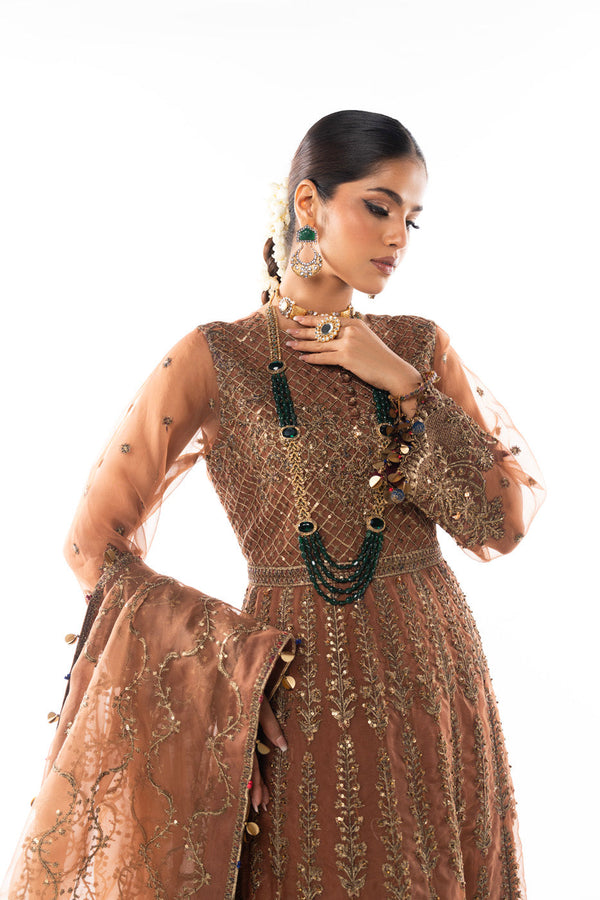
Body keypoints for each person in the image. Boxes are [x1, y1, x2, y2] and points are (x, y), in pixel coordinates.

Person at [1, 110, 545, 900]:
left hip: (434, 677)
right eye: (379, 206)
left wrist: (403, 384)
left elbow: (502, 523)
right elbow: (92, 545)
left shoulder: (418, 346)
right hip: (295, 690)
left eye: (412, 218)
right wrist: (225, 669)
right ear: (308, 203)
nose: (398, 236)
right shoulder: (216, 356)